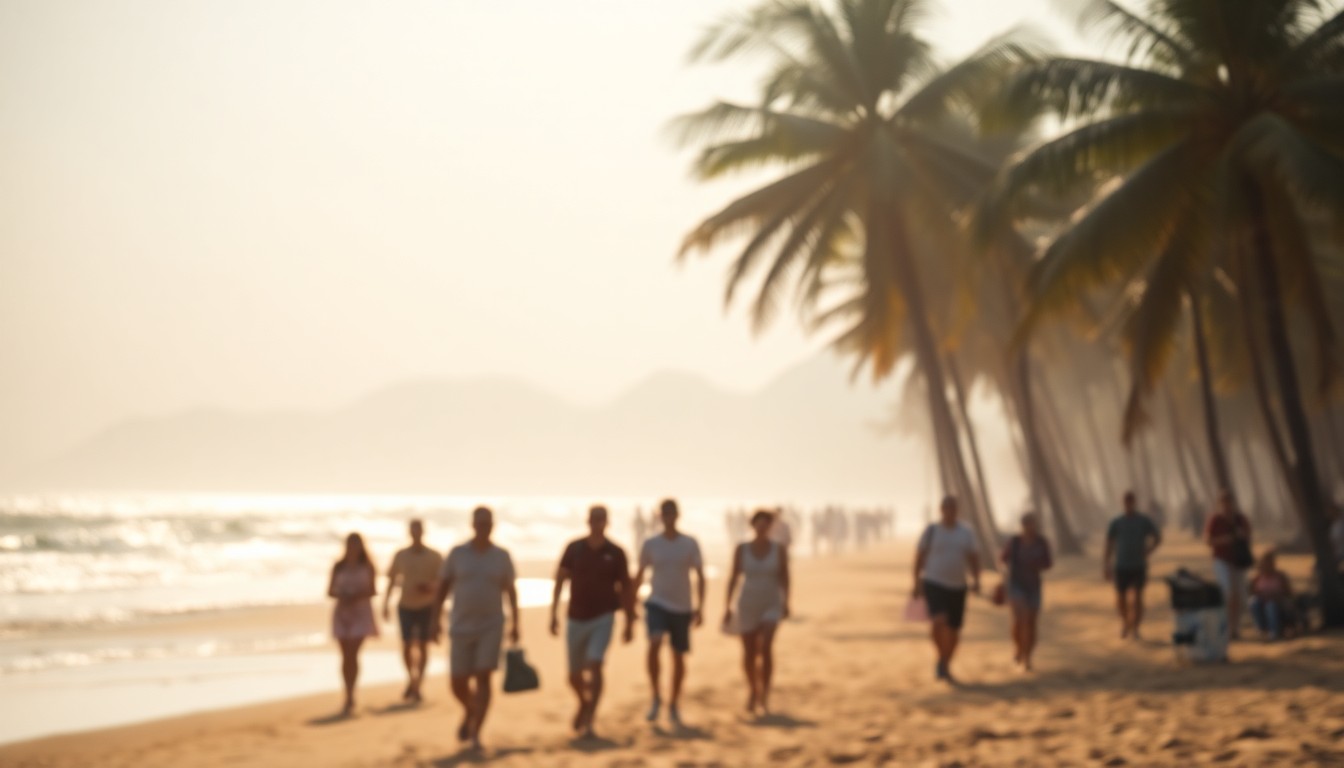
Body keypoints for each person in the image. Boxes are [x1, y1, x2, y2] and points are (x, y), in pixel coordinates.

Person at [431, 507, 520, 752]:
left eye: (488, 523)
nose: (484, 527)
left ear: (493, 526)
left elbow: (511, 591)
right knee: (457, 681)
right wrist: (434, 620)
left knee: (483, 676)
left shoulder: (501, 556)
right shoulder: (458, 554)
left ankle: (476, 734)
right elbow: (443, 587)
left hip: (492, 625)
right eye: (480, 523)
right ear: (473, 525)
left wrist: (517, 623)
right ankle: (471, 710)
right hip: (459, 625)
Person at [549, 505, 636, 739]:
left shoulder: (616, 552)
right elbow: (560, 579)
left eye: (601, 519)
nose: (597, 523)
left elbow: (626, 587)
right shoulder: (574, 548)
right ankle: (584, 703)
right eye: (594, 519)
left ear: (606, 522)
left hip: (604, 616)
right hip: (576, 617)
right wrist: (553, 613)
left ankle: (590, 719)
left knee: (595, 665)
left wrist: (630, 620)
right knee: (574, 675)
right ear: (588, 521)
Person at [634, 498, 705, 727]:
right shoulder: (651, 543)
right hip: (656, 602)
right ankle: (656, 696)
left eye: (671, 513)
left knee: (678, 655)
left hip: (682, 606)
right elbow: (640, 572)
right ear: (660, 516)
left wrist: (700, 607)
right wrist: (630, 600)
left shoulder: (689, 543)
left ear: (677, 515)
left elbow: (700, 575)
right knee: (654, 643)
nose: (668, 517)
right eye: (664, 513)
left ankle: (673, 702)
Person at [723, 509, 790, 715]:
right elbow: (733, 577)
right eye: (758, 524)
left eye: (765, 524)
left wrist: (786, 602)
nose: (761, 528)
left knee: (767, 646)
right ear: (752, 525)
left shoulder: (778, 549)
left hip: (771, 601)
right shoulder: (741, 549)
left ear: (770, 526)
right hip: (747, 603)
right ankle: (753, 689)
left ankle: (765, 694)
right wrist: (727, 606)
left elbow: (784, 577)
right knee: (749, 651)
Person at [912, 495, 981, 683]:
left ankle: (945, 662)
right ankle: (942, 659)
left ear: (957, 510)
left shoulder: (966, 533)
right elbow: (919, 557)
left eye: (953, 508)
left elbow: (973, 557)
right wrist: (916, 582)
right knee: (938, 622)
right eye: (946, 507)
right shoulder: (931, 531)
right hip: (934, 582)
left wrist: (976, 580)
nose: (950, 511)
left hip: (958, 586)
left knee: (954, 629)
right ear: (941, 510)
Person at [382, 519, 444, 703]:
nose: (416, 533)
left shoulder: (435, 556)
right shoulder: (400, 555)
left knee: (424, 645)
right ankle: (412, 679)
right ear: (409, 532)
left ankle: (418, 684)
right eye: (413, 530)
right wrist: (385, 603)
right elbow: (392, 580)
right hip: (405, 605)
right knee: (407, 645)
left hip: (427, 606)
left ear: (423, 532)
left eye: (418, 530)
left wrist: (430, 587)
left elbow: (444, 582)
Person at [329, 532, 378, 716]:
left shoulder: (368, 566)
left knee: (353, 653)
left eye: (355, 544)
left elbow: (373, 590)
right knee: (345, 656)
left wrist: (357, 595)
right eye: (350, 544)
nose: (352, 548)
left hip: (361, 613)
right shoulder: (338, 566)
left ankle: (351, 693)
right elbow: (329, 591)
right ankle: (347, 692)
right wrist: (343, 595)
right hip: (342, 612)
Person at [1103, 491, 1162, 640]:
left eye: (1131, 501)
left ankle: (1135, 627)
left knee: (1137, 598)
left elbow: (1157, 537)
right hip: (1121, 565)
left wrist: (1149, 550)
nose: (1128, 504)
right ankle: (1125, 622)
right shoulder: (1116, 522)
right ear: (1123, 503)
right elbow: (1109, 544)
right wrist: (1106, 564)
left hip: (1138, 565)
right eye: (1126, 501)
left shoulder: (1143, 521)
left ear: (1134, 502)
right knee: (1121, 600)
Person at [1001, 512, 1052, 671]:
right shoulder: (1014, 542)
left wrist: (1035, 564)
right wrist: (1004, 574)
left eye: (1031, 523)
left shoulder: (1041, 542)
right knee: (1019, 620)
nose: (1029, 527)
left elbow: (1048, 563)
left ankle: (1028, 656)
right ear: (1022, 525)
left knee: (1031, 623)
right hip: (1016, 585)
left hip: (1034, 586)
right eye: (1026, 523)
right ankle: (1018, 648)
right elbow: (1003, 559)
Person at [1205, 490, 1253, 639]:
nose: (1227, 507)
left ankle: (1235, 628)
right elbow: (1208, 540)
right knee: (1227, 592)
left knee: (1239, 594)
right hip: (1221, 560)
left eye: (1229, 503)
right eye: (1224, 503)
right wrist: (1225, 540)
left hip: (1238, 561)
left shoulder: (1240, 519)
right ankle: (1225, 626)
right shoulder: (1215, 520)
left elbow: (1248, 537)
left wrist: (1240, 537)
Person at [1249, 549, 1295, 640]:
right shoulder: (1257, 578)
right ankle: (1261, 629)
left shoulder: (1280, 576)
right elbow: (1252, 592)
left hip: (1278, 603)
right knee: (1253, 602)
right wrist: (1262, 595)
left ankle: (1274, 631)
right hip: (1262, 602)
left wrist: (1275, 596)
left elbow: (1288, 593)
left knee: (1271, 606)